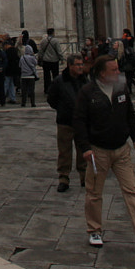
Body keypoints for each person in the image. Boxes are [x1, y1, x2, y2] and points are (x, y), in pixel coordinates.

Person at [73, 54, 135, 250]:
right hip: (98, 151)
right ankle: (94, 230)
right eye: (114, 70)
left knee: (132, 191)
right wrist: (85, 148)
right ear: (101, 73)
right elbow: (79, 122)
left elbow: (129, 113)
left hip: (122, 149)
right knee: (94, 193)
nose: (118, 72)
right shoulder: (88, 92)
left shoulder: (121, 87)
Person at [48, 55, 89, 192]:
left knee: (83, 149)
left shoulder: (84, 80)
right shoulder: (59, 81)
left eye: (81, 64)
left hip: (82, 122)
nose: (80, 67)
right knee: (64, 150)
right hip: (65, 121)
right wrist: (62, 109)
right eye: (77, 64)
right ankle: (64, 178)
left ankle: (84, 177)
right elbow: (51, 99)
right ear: (70, 66)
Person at [38, 28, 62, 92]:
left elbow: (40, 51)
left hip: (46, 60)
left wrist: (40, 58)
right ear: (53, 33)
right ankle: (55, 88)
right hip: (54, 60)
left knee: (46, 76)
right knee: (55, 75)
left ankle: (47, 89)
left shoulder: (43, 41)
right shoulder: (55, 41)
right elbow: (59, 51)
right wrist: (61, 58)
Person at [19, 43, 39, 107]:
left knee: (24, 90)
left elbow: (20, 65)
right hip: (31, 76)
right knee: (32, 90)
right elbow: (36, 63)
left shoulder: (22, 57)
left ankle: (23, 103)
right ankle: (32, 103)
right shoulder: (32, 58)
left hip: (23, 76)